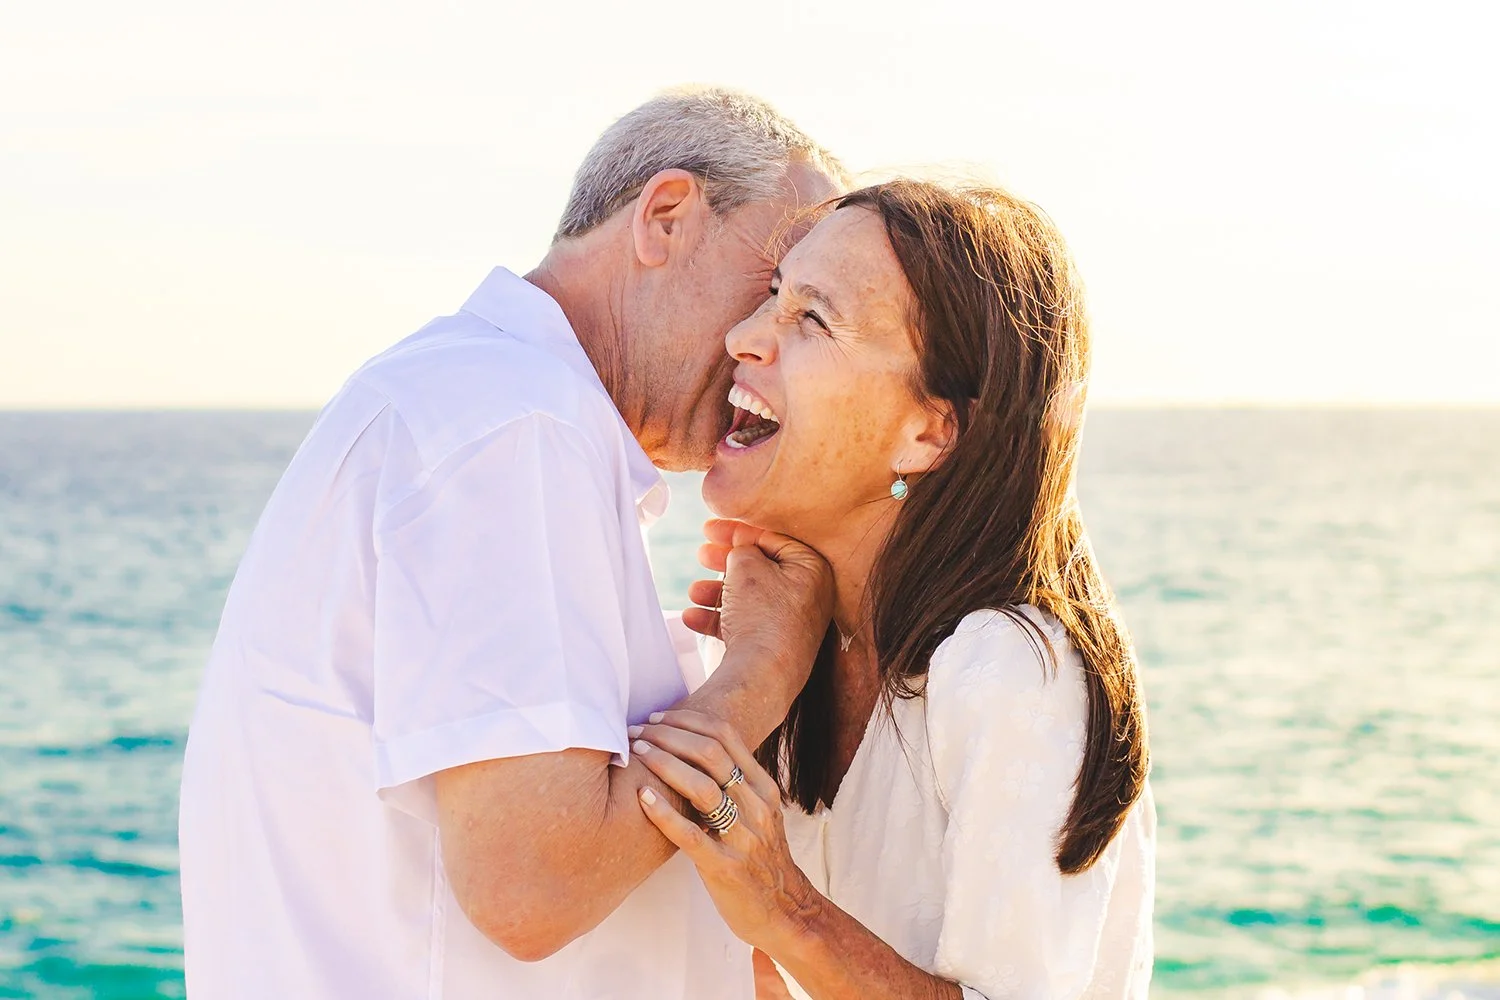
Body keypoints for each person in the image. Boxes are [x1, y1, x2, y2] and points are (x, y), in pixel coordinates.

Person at [178, 87, 846, 999]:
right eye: (773, 285)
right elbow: (532, 889)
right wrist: (765, 665)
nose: (768, 339)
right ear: (666, 217)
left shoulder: (474, 400)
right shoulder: (518, 422)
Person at [630, 180, 1156, 999]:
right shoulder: (791, 645)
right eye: (773, 296)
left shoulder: (1011, 669)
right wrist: (757, 671)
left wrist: (783, 907)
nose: (743, 336)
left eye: (812, 318)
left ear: (929, 431)